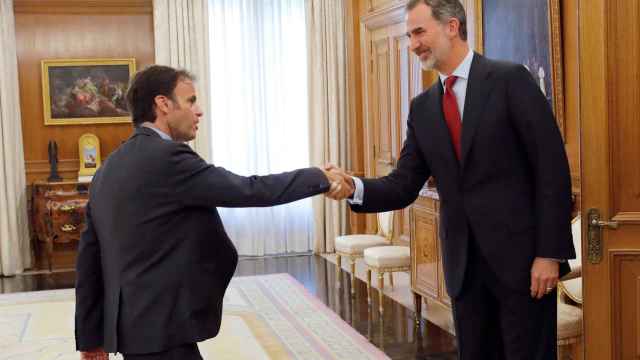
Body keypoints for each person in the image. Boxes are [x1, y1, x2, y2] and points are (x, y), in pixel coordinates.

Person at [325, 0, 575, 358]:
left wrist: (549, 254)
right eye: (409, 35)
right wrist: (354, 186)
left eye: (419, 32)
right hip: (464, 271)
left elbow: (551, 170)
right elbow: (403, 183)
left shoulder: (509, 80)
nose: (412, 44)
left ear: (452, 26)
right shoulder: (423, 108)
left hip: (523, 265)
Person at [74, 65, 353, 360]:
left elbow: (89, 259)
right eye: (191, 101)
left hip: (134, 330)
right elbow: (250, 190)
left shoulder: (108, 169)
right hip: (163, 326)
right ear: (163, 104)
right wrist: (319, 176)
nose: (199, 111)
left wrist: (91, 338)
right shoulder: (167, 158)